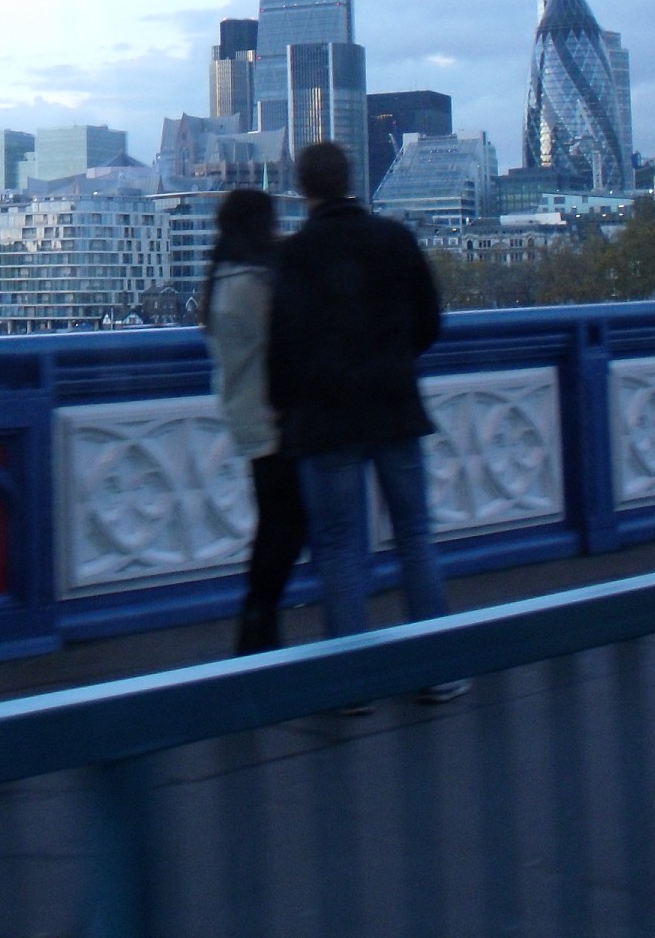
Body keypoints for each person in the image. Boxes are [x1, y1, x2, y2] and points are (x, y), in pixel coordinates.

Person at [267, 141, 464, 701]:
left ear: (303, 188)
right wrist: (394, 363)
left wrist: (288, 402)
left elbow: (279, 347)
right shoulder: (394, 238)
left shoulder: (293, 255)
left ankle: (353, 688)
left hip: (325, 417)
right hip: (394, 406)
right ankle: (438, 671)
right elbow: (429, 321)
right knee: (414, 534)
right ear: (350, 179)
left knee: (336, 546)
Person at [199, 188, 305, 655]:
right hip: (273, 415)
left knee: (273, 523)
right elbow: (285, 343)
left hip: (242, 411)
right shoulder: (257, 280)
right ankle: (258, 623)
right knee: (286, 527)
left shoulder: (220, 276)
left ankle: (259, 630)